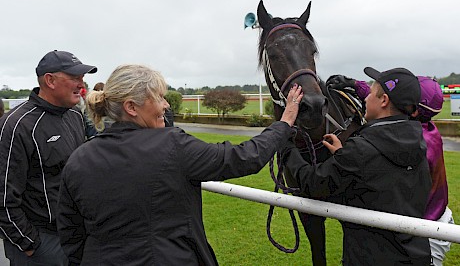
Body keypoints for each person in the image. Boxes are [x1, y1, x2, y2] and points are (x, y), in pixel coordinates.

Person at [56, 64, 303, 265]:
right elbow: (244, 158)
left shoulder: (79, 157)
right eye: (160, 98)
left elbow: (71, 234)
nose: (166, 105)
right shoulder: (173, 145)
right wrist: (286, 121)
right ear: (131, 107)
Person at [283, 67, 432, 265]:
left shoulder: (361, 151)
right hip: (415, 255)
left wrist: (285, 144)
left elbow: (313, 183)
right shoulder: (418, 142)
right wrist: (342, 155)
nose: (366, 98)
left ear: (384, 101)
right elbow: (382, 181)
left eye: (370, 93)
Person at [328, 74, 454, 265]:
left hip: (426, 230)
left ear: (410, 109)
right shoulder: (422, 130)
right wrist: (355, 84)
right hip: (434, 218)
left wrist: (346, 157)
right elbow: (385, 100)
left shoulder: (416, 144)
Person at [0, 50, 97, 266]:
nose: (81, 85)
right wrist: (28, 243)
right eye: (74, 78)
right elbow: (4, 195)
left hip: (75, 236)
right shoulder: (17, 125)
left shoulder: (75, 116)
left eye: (83, 78)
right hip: (41, 242)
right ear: (50, 80)